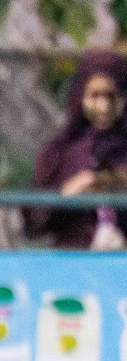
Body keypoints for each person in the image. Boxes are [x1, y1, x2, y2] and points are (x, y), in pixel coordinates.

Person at [26, 52, 127, 250]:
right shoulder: (59, 152)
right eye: (95, 96)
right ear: (80, 96)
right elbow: (32, 223)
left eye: (111, 96)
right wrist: (67, 194)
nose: (104, 107)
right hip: (74, 265)